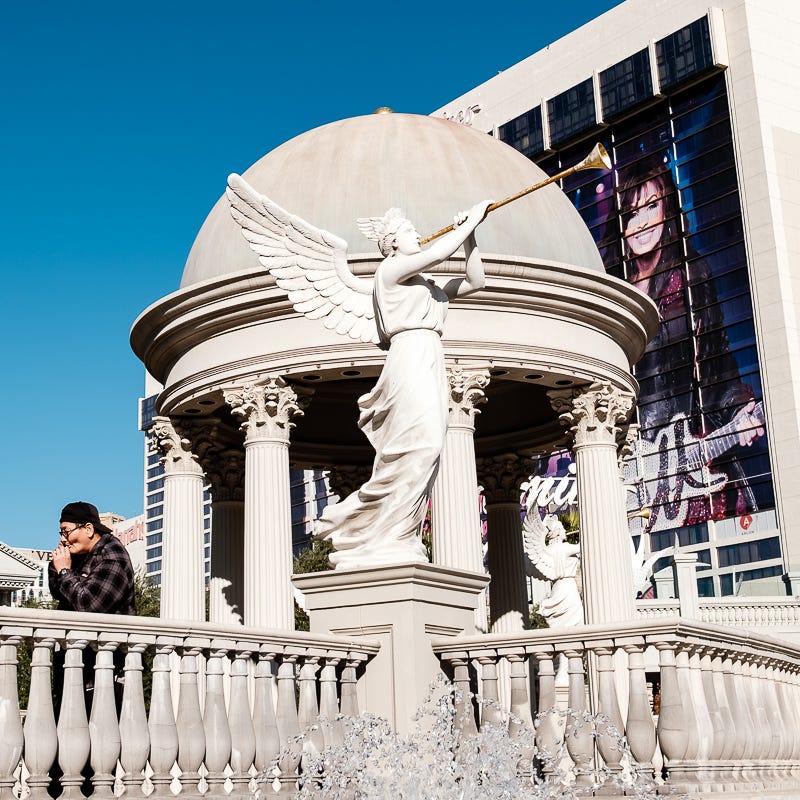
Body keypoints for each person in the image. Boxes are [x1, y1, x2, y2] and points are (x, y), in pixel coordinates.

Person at [314, 202, 491, 568]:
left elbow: (477, 281)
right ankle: (369, 528)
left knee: (429, 451)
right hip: (409, 356)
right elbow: (439, 252)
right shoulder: (391, 270)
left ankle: (397, 535)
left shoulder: (427, 287)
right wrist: (470, 218)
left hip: (430, 356)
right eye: (409, 231)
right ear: (393, 243)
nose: (418, 233)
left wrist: (471, 234)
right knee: (419, 446)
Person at [616, 156, 765, 531]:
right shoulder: (611, 286)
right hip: (628, 468)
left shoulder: (691, 274)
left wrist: (741, 410)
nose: (643, 222)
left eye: (652, 206)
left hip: (690, 459)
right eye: (633, 213)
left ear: (668, 210)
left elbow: (719, 367)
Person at [49, 501, 136, 614]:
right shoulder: (79, 554)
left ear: (89, 529)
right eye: (61, 533)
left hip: (107, 631)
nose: (63, 539)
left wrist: (64, 571)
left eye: (66, 532)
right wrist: (57, 563)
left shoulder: (112, 556)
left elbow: (88, 606)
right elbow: (57, 593)